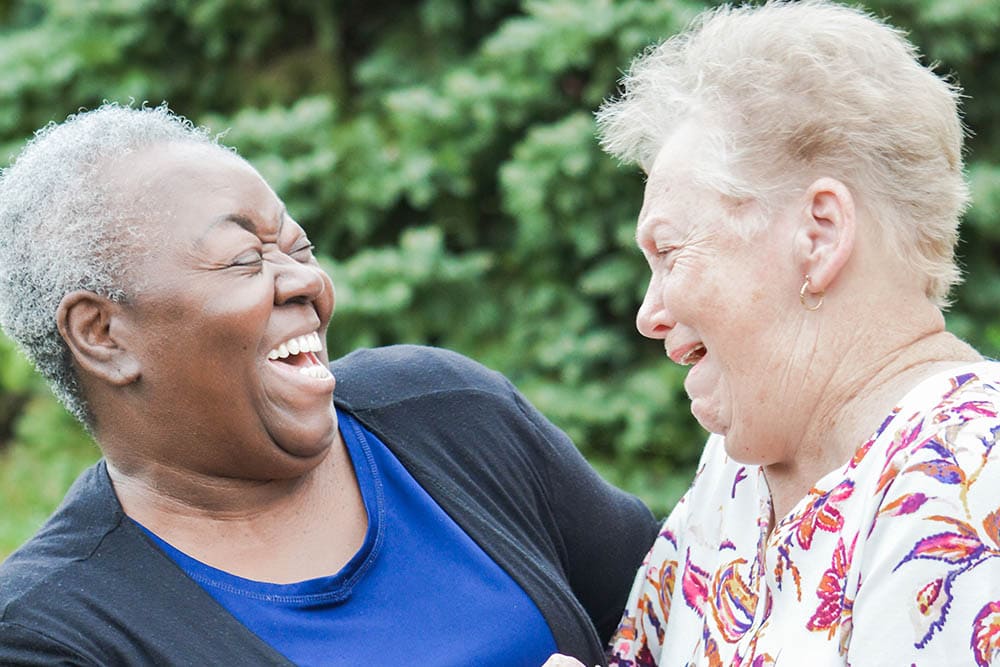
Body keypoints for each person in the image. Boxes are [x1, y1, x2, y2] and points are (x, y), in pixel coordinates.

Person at [0, 103, 660, 666]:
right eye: (245, 260)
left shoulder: (450, 413)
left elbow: (685, 612)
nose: (308, 283)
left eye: (300, 248)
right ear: (102, 334)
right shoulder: (49, 632)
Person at [548, 1, 1000, 666]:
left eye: (670, 253)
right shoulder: (737, 470)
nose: (649, 313)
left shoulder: (966, 476)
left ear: (819, 234)